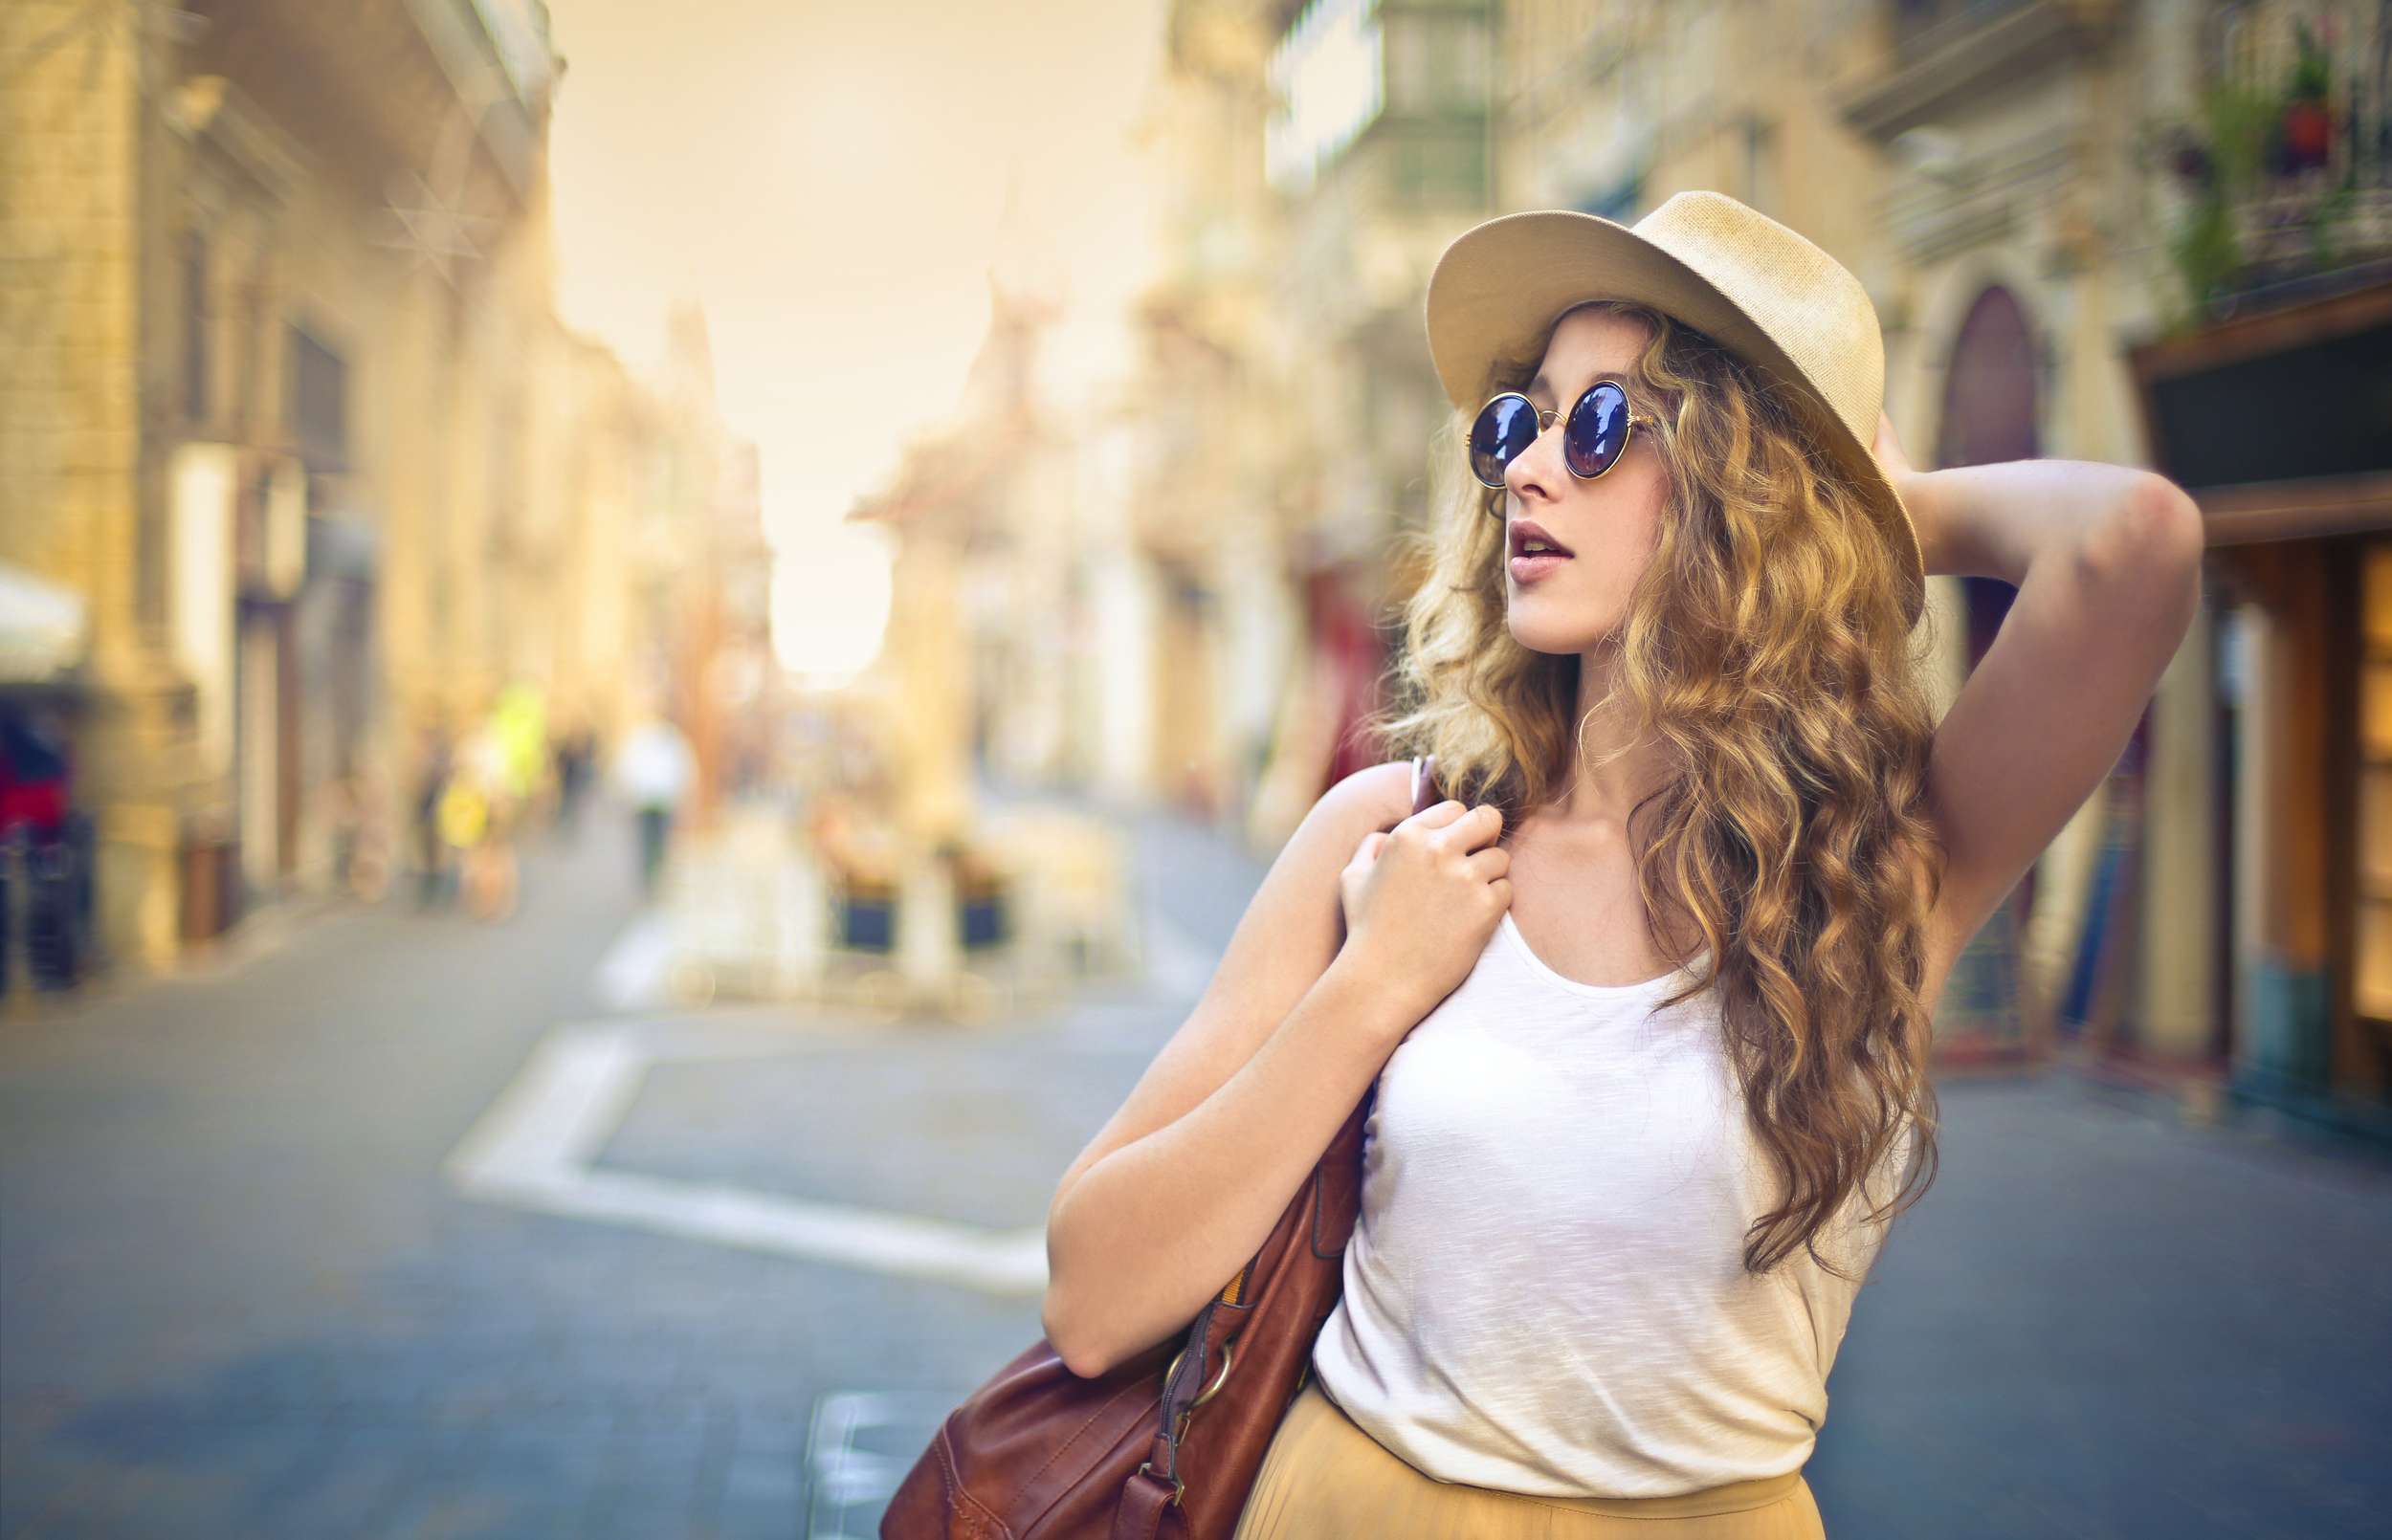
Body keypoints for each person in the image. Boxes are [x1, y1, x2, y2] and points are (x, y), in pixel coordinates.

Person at [1037, 192, 2204, 1538]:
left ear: (1743, 488)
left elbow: (2138, 541)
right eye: (1518, 422)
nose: (1530, 467)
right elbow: (1092, 1295)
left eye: (1599, 427)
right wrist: (1371, 987)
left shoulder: (1882, 873)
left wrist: (1880, 503)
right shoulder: (1398, 832)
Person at [615, 714, 695, 901]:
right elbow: (631, 767)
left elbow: (683, 771)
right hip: (649, 800)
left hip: (659, 800)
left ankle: (654, 878)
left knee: (656, 842)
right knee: (649, 841)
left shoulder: (669, 742)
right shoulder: (653, 741)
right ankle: (650, 879)